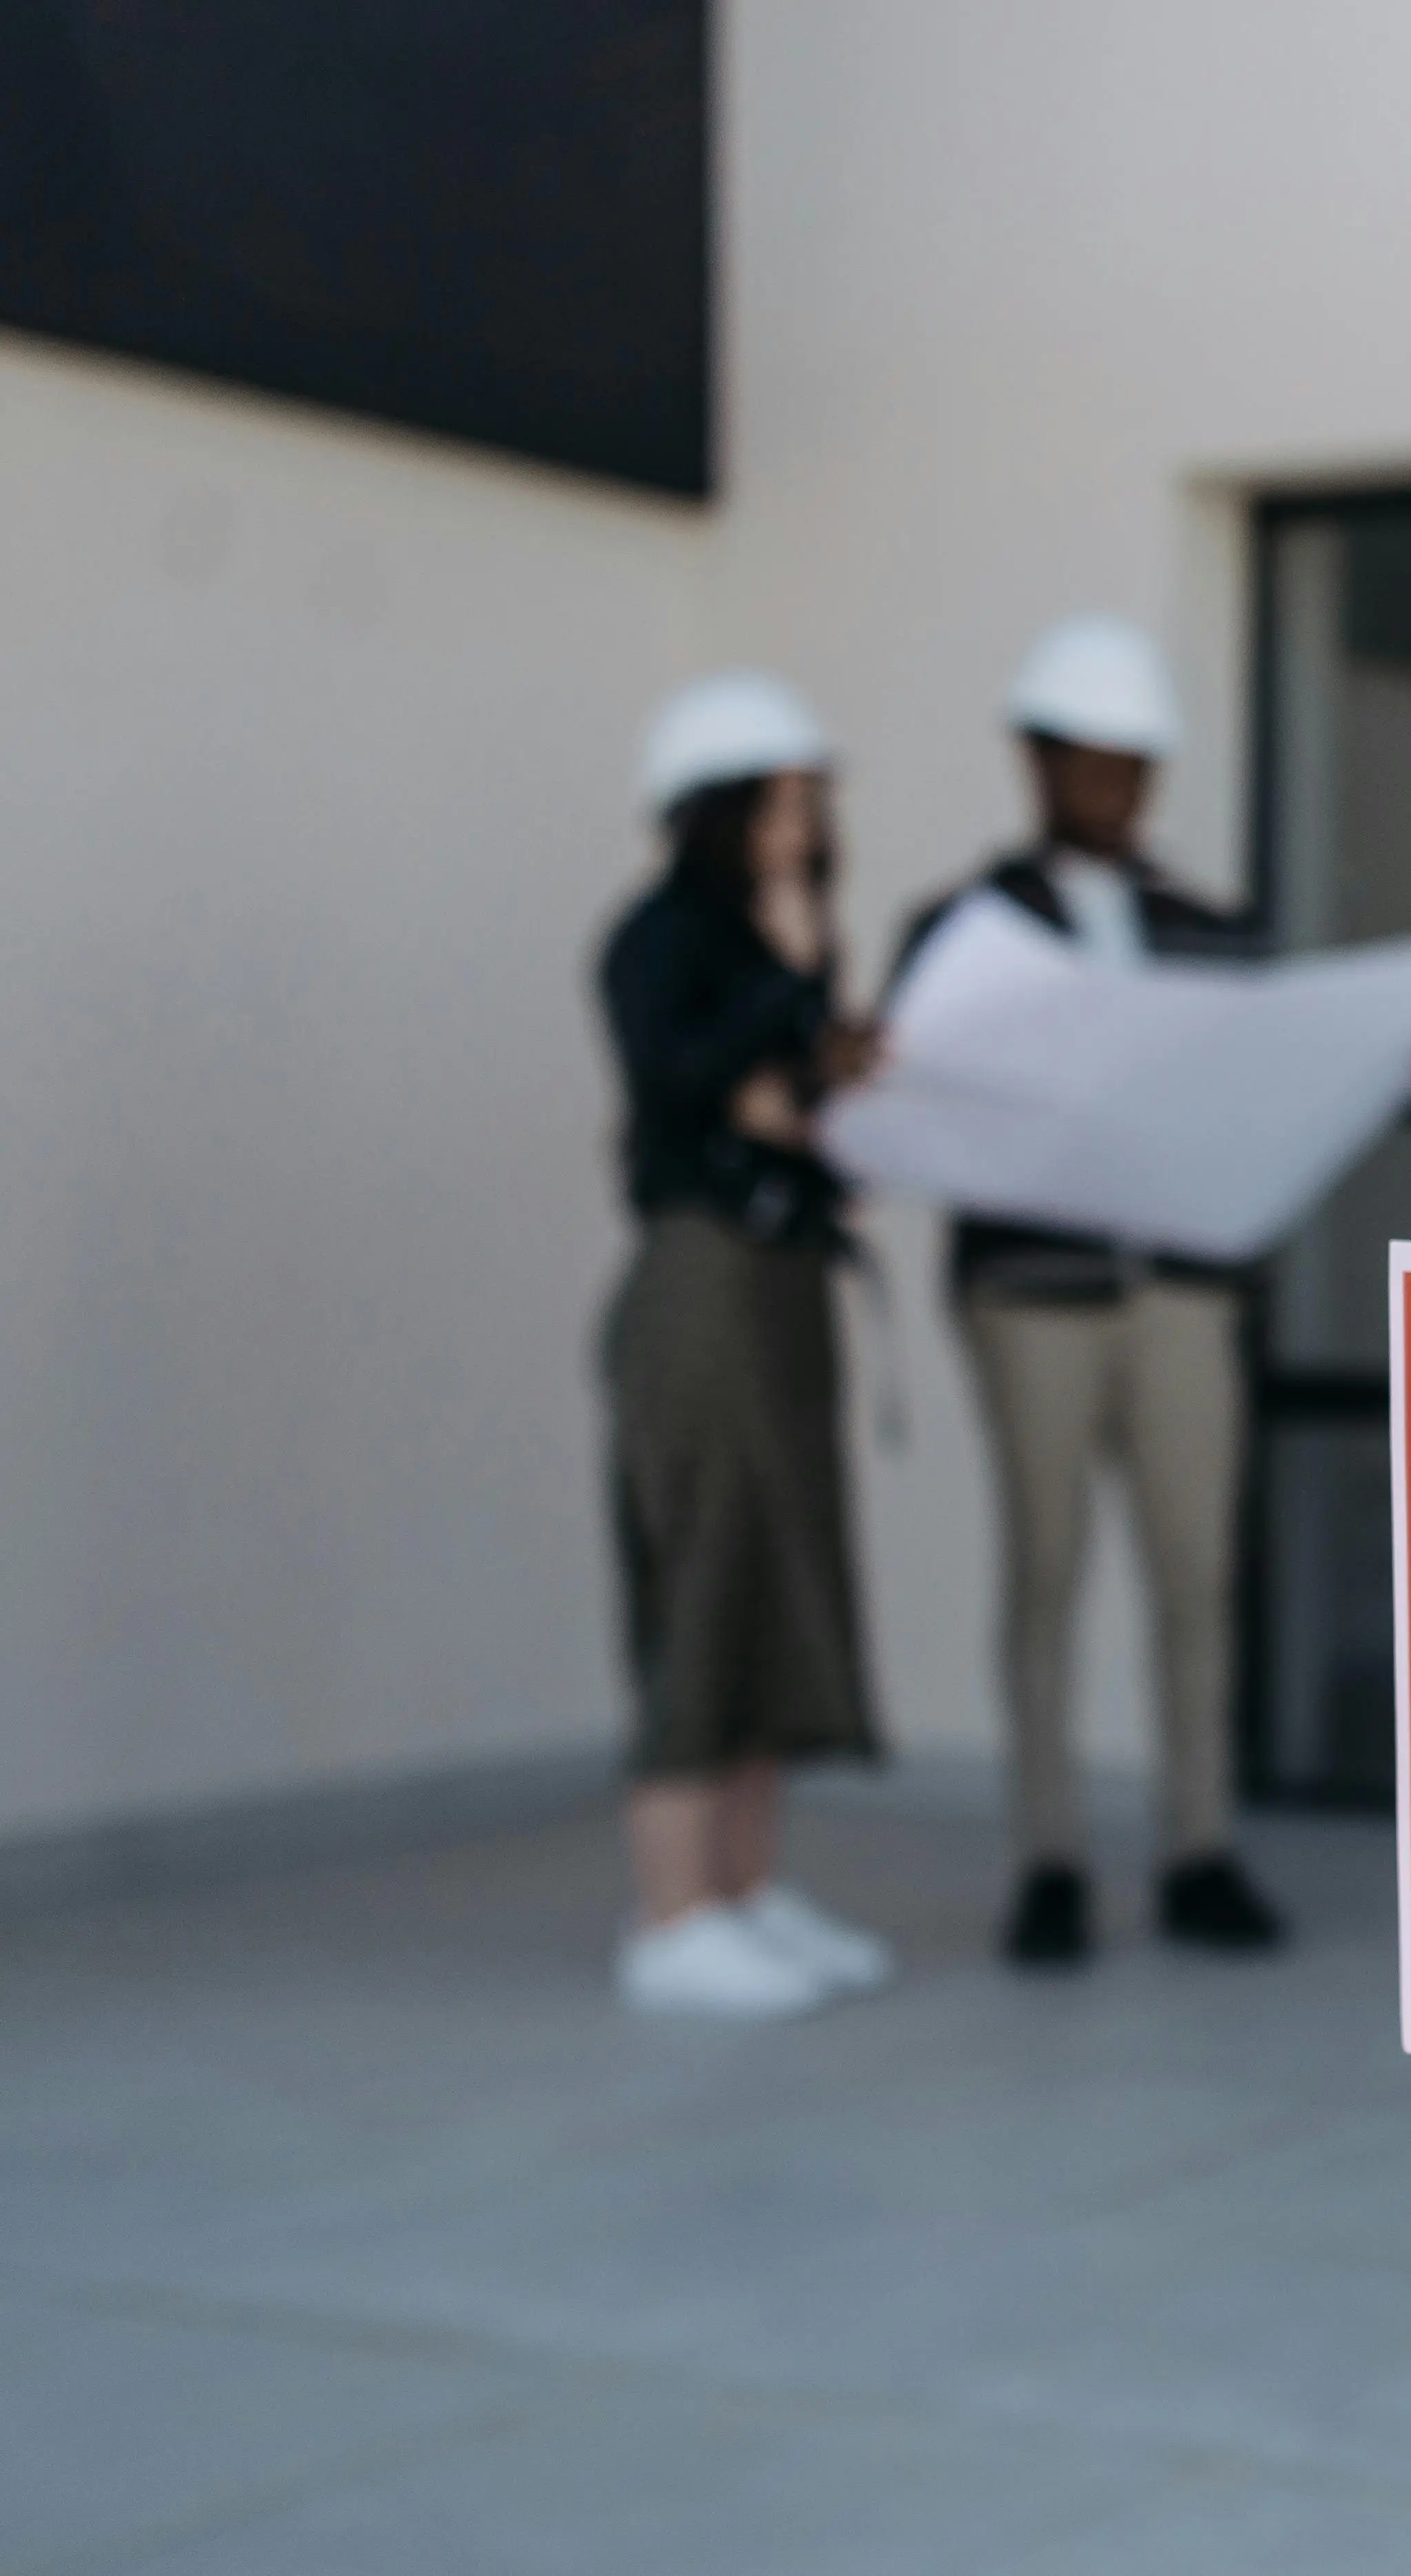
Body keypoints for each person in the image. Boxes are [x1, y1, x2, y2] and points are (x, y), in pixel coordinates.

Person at [905, 615, 1411, 1969]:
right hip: (1035, 1295)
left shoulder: (1212, 932)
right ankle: (1048, 1858)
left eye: (1135, 766)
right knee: (1043, 1572)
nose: (1115, 790)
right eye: (1090, 762)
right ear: (1037, 763)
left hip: (1183, 1297)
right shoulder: (963, 929)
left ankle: (1197, 1846)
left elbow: (1281, 1086)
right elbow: (911, 1089)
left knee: (1196, 1575)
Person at [595, 673, 900, 2020]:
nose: (797, 825)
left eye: (807, 801)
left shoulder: (781, 946)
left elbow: (786, 1102)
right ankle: (673, 1916)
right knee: (708, 1579)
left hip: (783, 1281)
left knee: (781, 1576)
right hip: (704, 1283)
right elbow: (678, 1077)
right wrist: (792, 1019)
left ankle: (746, 1891)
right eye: (771, 801)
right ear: (709, 810)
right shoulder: (658, 937)